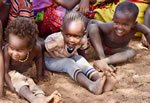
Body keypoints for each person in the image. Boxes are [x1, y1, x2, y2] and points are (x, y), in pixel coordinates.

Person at [44, 11, 117, 95]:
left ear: (83, 34)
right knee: (68, 63)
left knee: (80, 59)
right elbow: (42, 49)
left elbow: (81, 51)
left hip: (68, 56)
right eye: (67, 35)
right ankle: (91, 86)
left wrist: (84, 64)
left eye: (76, 36)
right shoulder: (56, 40)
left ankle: (99, 79)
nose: (71, 40)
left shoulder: (83, 40)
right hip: (50, 60)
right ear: (62, 31)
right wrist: (43, 69)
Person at [4, 18, 61, 103]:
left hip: (25, 75)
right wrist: (11, 86)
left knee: (32, 84)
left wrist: (39, 75)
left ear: (29, 48)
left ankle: (42, 98)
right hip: (10, 74)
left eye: (19, 50)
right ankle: (33, 99)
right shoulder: (6, 50)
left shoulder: (36, 49)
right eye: (11, 48)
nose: (14, 53)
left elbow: (39, 58)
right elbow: (4, 71)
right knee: (20, 83)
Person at [88, 1, 150, 72]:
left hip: (115, 50)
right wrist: (85, 36)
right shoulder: (109, 26)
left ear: (134, 24)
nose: (120, 27)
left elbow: (147, 31)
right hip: (102, 48)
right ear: (113, 19)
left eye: (125, 24)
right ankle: (102, 58)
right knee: (93, 28)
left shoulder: (137, 27)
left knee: (131, 52)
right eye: (116, 22)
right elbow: (93, 23)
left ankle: (105, 62)